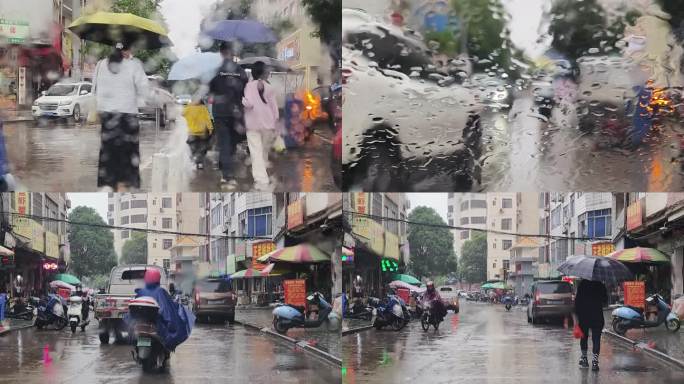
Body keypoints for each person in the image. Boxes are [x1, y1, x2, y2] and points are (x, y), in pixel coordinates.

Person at [92, 42, 149, 192]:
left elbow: (94, 89)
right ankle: (123, 188)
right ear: (127, 50)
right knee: (127, 157)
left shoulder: (100, 64)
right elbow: (145, 90)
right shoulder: (133, 65)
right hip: (127, 116)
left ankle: (110, 186)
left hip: (107, 116)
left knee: (109, 155)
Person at [209, 42, 248, 187]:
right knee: (231, 142)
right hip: (236, 112)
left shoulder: (215, 71)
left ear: (221, 53)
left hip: (220, 112)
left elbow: (210, 93)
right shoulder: (241, 71)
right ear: (232, 52)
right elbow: (245, 91)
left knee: (224, 142)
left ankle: (226, 173)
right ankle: (226, 168)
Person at [242, 61, 279, 190]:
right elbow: (275, 108)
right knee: (263, 152)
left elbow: (249, 104)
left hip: (253, 124)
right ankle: (263, 174)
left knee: (256, 152)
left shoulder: (249, 86)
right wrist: (275, 123)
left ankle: (262, 180)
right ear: (264, 73)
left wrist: (241, 100)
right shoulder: (269, 87)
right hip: (268, 124)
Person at [574, 279, 608, 371]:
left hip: (584, 316)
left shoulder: (582, 284)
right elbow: (605, 301)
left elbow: (577, 302)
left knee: (584, 337)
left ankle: (584, 359)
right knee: (596, 339)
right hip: (597, 316)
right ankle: (595, 362)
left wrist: (576, 315)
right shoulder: (600, 284)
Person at [183, 97, 214, 169]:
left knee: (193, 147)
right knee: (202, 148)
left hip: (192, 132)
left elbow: (182, 113)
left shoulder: (189, 108)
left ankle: (194, 159)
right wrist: (210, 128)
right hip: (202, 132)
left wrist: (189, 105)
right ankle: (199, 162)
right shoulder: (203, 108)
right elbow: (208, 119)